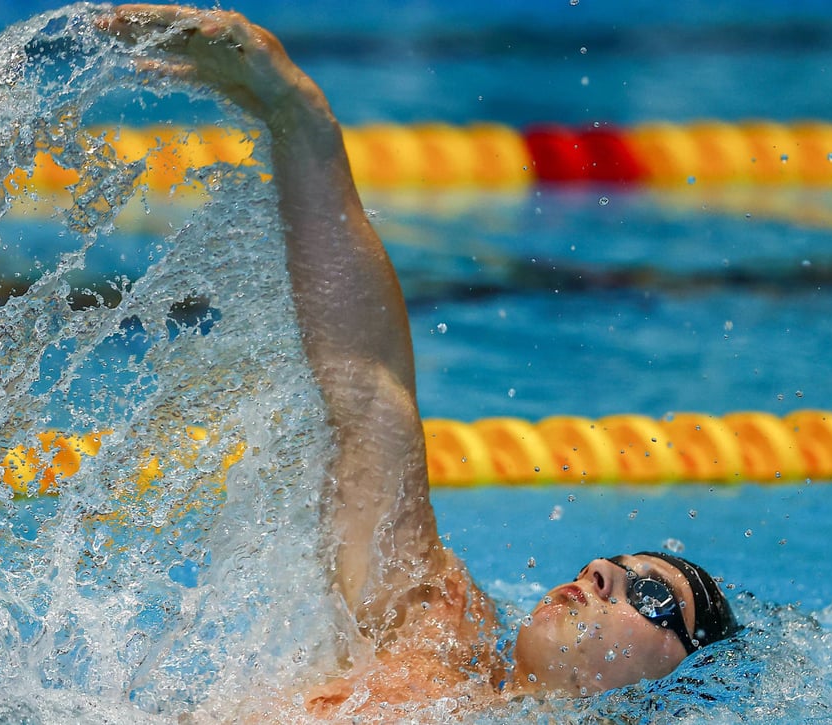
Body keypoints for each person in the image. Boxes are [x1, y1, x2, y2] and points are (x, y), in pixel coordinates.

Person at [102, 4, 740, 715]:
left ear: (677, 675)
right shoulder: (439, 635)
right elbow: (366, 392)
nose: (596, 571)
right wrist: (299, 117)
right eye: (615, 566)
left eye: (647, 594)